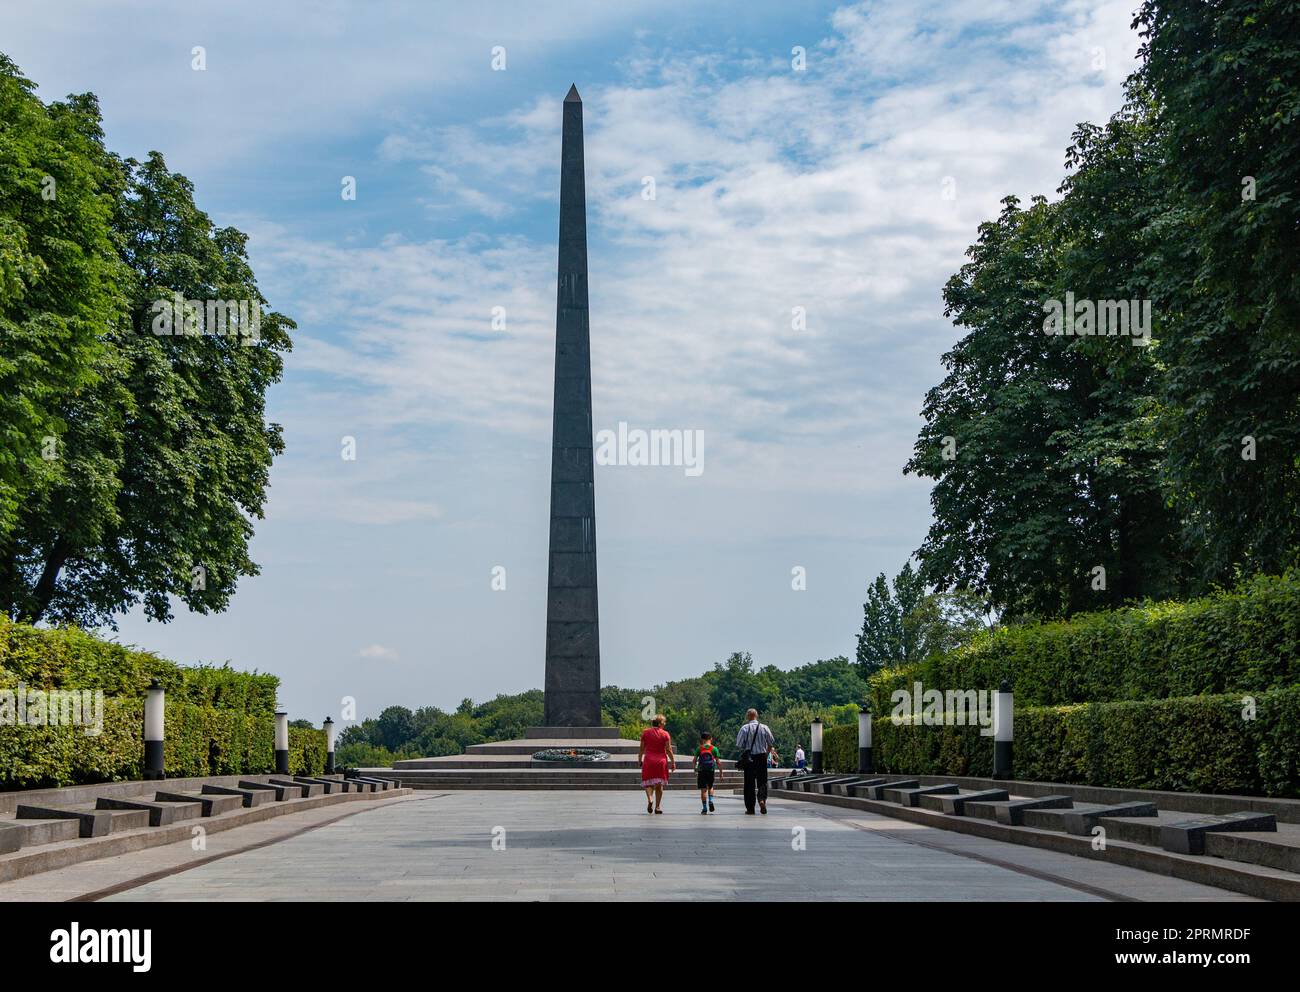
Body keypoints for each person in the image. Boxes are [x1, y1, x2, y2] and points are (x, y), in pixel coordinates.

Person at [735, 708, 775, 815]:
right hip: (761, 757)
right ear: (756, 716)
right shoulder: (764, 727)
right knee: (762, 781)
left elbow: (739, 744)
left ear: (748, 716)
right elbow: (771, 742)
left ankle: (750, 808)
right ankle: (762, 800)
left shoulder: (744, 728)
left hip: (749, 759)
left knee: (749, 784)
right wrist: (766, 755)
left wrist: (746, 747)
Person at [638, 714, 675, 814]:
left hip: (648, 760)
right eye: (664, 722)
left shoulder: (645, 733)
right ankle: (658, 807)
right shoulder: (665, 734)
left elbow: (641, 748)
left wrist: (639, 759)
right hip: (661, 762)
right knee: (659, 785)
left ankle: (650, 799)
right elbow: (668, 750)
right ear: (660, 723)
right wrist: (673, 762)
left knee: (648, 783)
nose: (664, 724)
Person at [694, 732, 720, 814]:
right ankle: (711, 800)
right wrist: (721, 772)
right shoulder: (714, 749)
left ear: (702, 739)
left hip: (701, 771)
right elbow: (718, 762)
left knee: (703, 790)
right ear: (711, 739)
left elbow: (694, 761)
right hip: (711, 770)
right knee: (710, 787)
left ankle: (704, 808)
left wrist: (695, 769)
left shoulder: (699, 748)